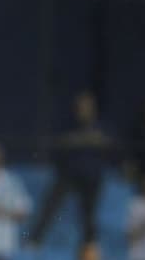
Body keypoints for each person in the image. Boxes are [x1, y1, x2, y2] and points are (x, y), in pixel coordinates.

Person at [30, 90, 113, 244]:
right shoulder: (68, 123)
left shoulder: (101, 124)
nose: (83, 109)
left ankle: (90, 245)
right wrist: (83, 139)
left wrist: (84, 140)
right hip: (69, 174)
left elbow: (108, 142)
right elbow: (58, 142)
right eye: (81, 106)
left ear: (93, 108)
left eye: (87, 106)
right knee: (51, 202)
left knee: (89, 212)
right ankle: (34, 240)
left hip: (91, 177)